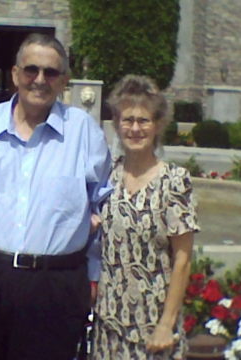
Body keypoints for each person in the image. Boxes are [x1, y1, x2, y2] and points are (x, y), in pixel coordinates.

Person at [0, 33, 111, 360]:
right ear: (15, 74)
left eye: (50, 73)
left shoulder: (85, 133)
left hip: (53, 286)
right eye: (31, 70)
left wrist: (92, 275)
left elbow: (103, 209)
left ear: (63, 81)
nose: (39, 80)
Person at [91, 75, 200, 360]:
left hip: (153, 331)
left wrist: (166, 324)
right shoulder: (108, 175)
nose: (135, 128)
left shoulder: (174, 181)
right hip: (108, 326)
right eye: (127, 120)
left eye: (143, 120)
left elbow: (183, 260)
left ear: (158, 125)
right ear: (117, 124)